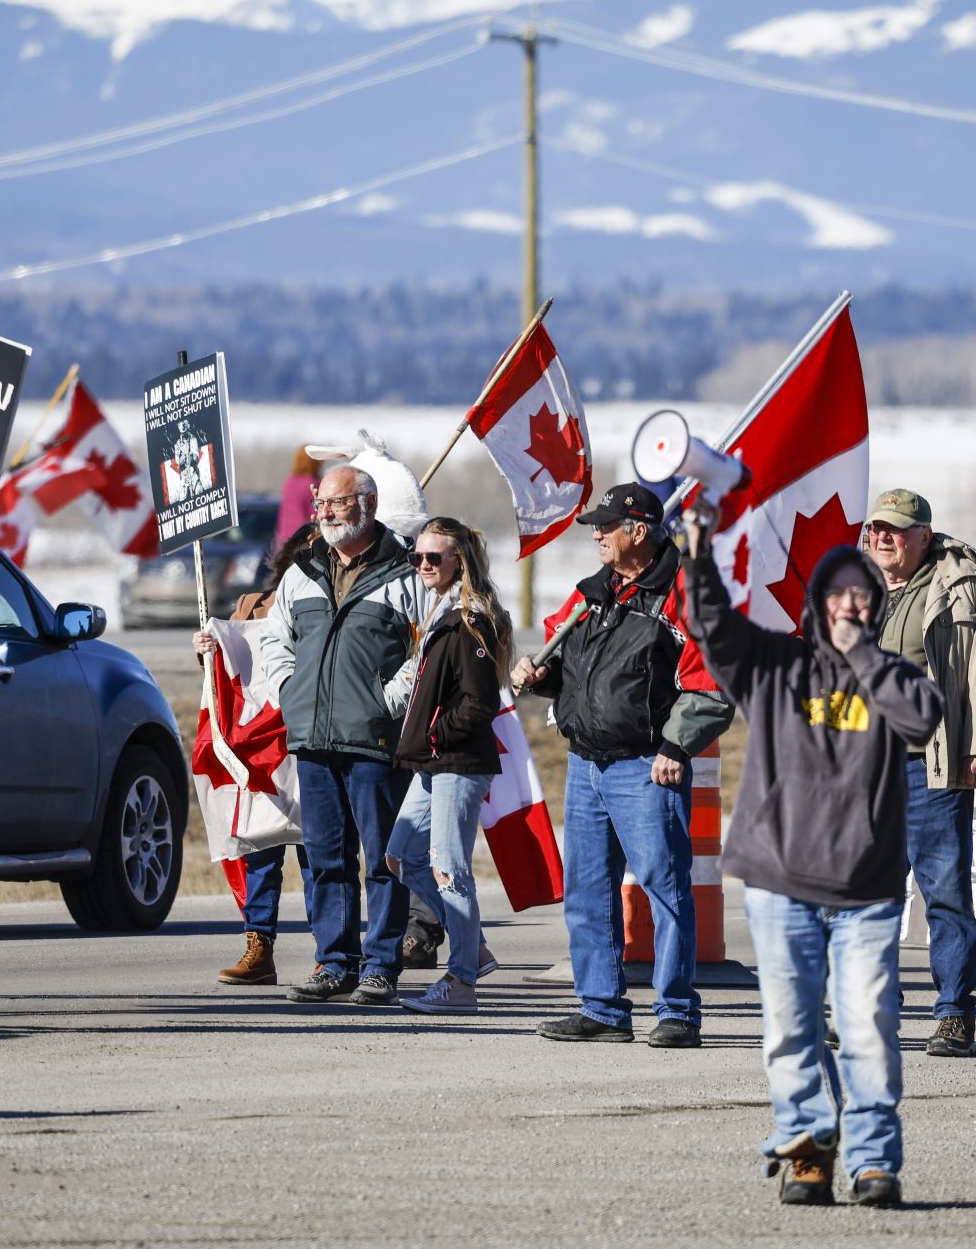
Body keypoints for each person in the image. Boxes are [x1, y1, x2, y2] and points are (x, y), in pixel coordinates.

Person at [682, 508, 944, 1209]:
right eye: (838, 594)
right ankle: (806, 1155)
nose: (851, 604)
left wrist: (861, 653)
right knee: (791, 1032)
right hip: (779, 884)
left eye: (863, 594)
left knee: (867, 1032)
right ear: (814, 603)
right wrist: (699, 552)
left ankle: (872, 1164)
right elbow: (709, 625)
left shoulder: (891, 676)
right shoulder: (773, 665)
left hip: (866, 891)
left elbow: (923, 719)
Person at [512, 484, 733, 1047]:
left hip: (648, 766)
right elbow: (566, 665)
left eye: (606, 526)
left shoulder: (684, 593)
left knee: (666, 888)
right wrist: (540, 677)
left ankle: (677, 1011)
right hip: (586, 764)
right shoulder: (593, 594)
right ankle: (602, 1009)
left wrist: (677, 747)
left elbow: (711, 685)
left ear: (638, 532)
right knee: (587, 891)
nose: (595, 534)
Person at [260, 464, 427, 1005]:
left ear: (368, 505)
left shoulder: (406, 571)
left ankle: (381, 966)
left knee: (381, 858)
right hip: (312, 737)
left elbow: (426, 648)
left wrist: (389, 701)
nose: (324, 512)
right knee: (326, 858)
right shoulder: (301, 571)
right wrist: (291, 690)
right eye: (320, 502)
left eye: (336, 503)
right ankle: (335, 962)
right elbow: (274, 639)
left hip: (375, 740)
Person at [862, 488, 976, 1058]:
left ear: (924, 535)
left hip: (931, 763)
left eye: (895, 530)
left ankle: (953, 1014)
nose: (884, 539)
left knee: (944, 895)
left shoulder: (963, 585)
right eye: (876, 529)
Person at [386, 517, 509, 1015]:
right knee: (401, 856)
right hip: (431, 763)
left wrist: (436, 733)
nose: (422, 565)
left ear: (460, 562)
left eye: (433, 558)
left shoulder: (470, 617)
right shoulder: (439, 611)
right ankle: (472, 946)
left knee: (448, 868)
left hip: (457, 761)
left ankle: (460, 983)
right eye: (417, 557)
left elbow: (481, 702)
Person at [196, 521, 320, 986]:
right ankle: (258, 945)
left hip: (310, 737)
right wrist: (208, 650)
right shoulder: (253, 604)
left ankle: (329, 952)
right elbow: (231, 670)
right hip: (260, 746)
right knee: (261, 847)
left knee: (319, 854)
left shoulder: (335, 603)